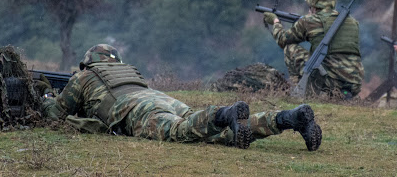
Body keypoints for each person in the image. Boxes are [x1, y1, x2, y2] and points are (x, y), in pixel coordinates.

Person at [40, 44, 322, 151]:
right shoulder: (129, 71)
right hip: (161, 99)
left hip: (134, 110)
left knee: (180, 132)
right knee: (215, 133)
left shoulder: (85, 75)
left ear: (89, 62)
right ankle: (289, 118)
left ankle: (224, 113)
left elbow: (56, 113)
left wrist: (43, 97)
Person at [263, 0, 364, 98]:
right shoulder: (353, 23)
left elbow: (282, 40)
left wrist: (275, 21)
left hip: (330, 83)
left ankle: (304, 91)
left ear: (314, 6)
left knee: (290, 48)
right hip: (353, 84)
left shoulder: (309, 21)